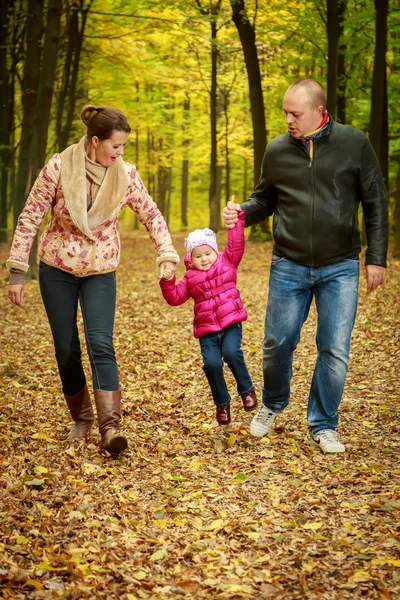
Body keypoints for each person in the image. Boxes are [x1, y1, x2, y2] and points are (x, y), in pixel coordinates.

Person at [223, 79, 388, 454]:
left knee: (334, 349)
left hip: (341, 265)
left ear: (318, 111)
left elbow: (375, 203)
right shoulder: (278, 150)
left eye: (295, 113)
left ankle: (324, 424)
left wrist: (376, 257)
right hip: (289, 263)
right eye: (284, 112)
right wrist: (241, 214)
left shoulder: (354, 143)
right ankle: (272, 402)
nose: (288, 120)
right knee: (276, 343)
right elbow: (264, 200)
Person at [7, 104, 179, 454]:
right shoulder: (59, 166)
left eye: (124, 148)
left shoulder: (126, 175)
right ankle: (82, 417)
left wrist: (166, 253)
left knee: (101, 343)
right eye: (115, 146)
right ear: (95, 140)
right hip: (57, 267)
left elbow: (151, 213)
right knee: (66, 348)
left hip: (101, 269)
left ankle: (110, 428)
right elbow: (30, 216)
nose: (120, 153)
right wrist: (17, 272)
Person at [159, 209, 257, 425]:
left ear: (215, 251)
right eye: (198, 255)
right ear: (190, 258)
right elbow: (175, 298)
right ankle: (222, 403)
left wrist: (236, 223)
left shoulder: (227, 263)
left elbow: (236, 244)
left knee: (232, 353)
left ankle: (247, 390)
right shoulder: (189, 278)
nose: (204, 259)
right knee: (211, 364)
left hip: (230, 324)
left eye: (207, 253)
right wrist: (167, 281)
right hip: (208, 332)